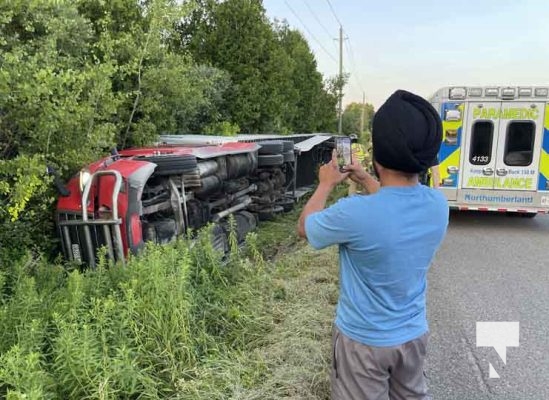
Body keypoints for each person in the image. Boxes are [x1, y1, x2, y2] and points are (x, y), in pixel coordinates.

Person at [297, 90, 449, 400]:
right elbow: (395, 202)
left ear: (376, 154)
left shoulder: (354, 213)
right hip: (412, 336)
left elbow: (305, 228)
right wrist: (367, 178)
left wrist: (326, 183)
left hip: (362, 343)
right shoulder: (437, 205)